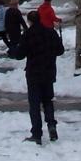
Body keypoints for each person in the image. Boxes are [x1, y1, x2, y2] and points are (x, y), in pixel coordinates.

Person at [13, 10, 64, 144]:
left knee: (34, 104)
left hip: (34, 73)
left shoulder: (28, 35)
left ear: (29, 21)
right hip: (48, 72)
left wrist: (15, 50)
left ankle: (37, 133)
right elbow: (60, 50)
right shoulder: (50, 32)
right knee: (48, 100)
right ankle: (51, 125)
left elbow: (19, 55)